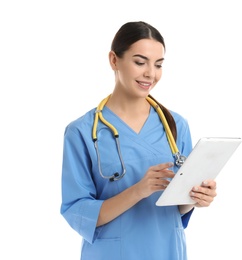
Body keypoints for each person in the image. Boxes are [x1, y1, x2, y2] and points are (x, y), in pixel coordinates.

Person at [60, 21, 217, 260]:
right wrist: (138, 191)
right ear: (114, 60)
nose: (150, 74)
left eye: (158, 65)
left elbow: (177, 207)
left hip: (168, 251)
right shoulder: (81, 132)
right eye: (140, 62)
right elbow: (77, 212)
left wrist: (195, 198)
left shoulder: (176, 125)